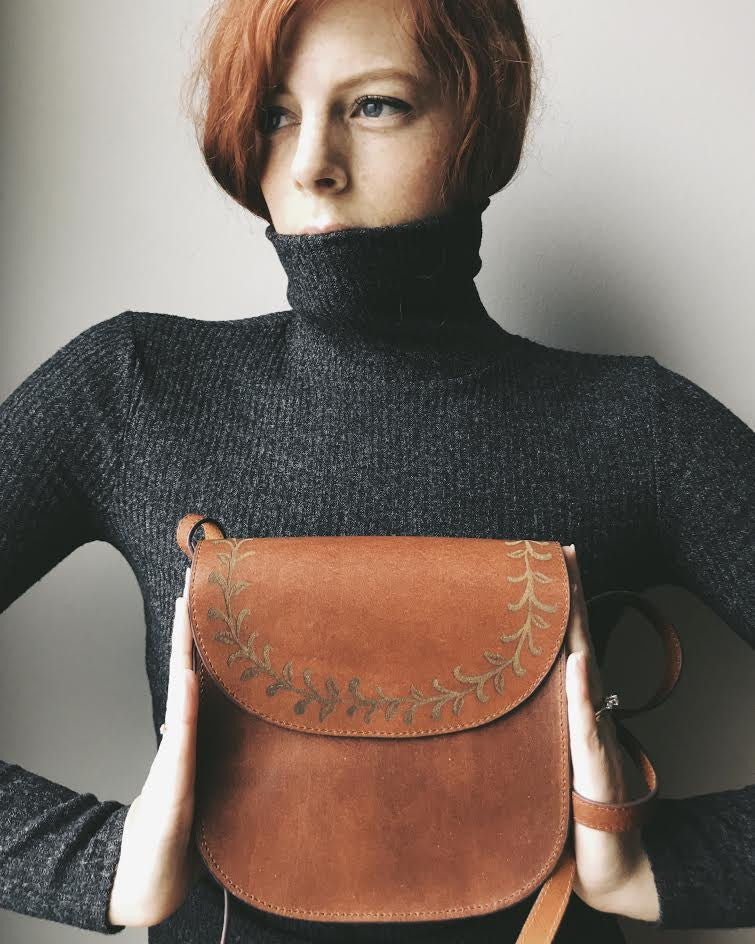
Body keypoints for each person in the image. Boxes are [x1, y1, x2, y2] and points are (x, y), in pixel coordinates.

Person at [0, 0, 752, 941]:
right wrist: (98, 864)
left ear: (480, 125)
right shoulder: (131, 388)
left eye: (374, 106)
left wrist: (655, 867)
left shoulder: (635, 424)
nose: (311, 163)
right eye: (276, 113)